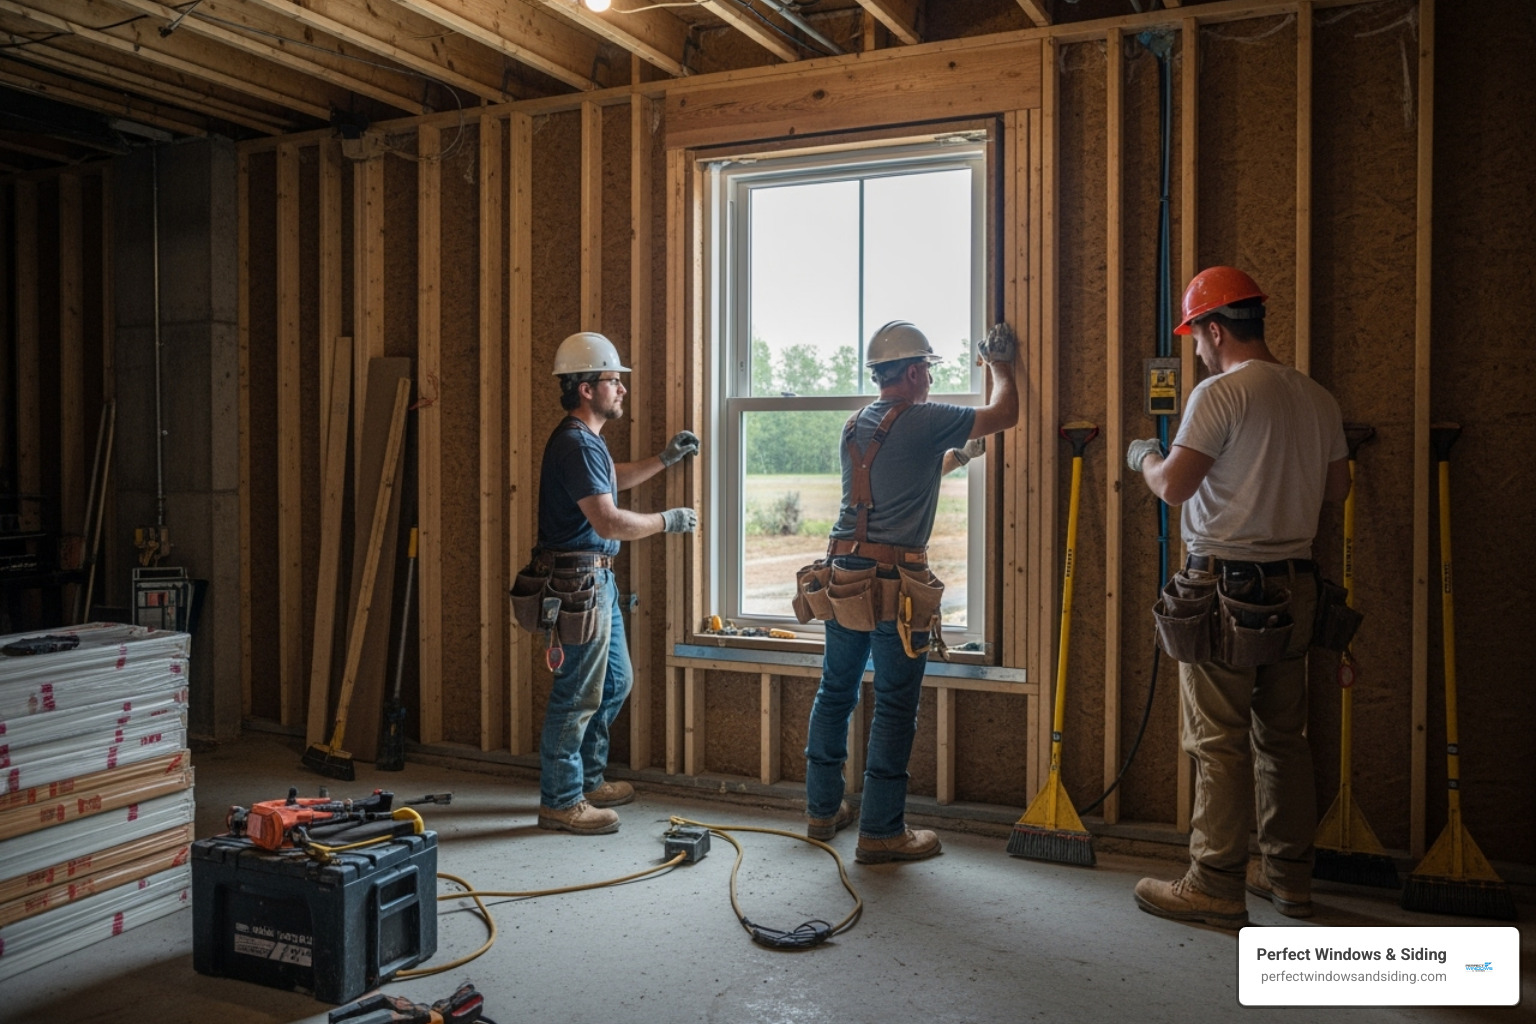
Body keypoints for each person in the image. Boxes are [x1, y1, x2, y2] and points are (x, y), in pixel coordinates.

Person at [1126, 267, 1351, 927]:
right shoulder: (1316, 397)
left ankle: (1214, 883)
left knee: (1217, 739)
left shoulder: (1219, 394)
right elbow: (1336, 492)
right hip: (1298, 585)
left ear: (1215, 329)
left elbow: (1173, 486)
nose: (1196, 348)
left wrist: (1144, 455)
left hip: (1227, 588)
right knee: (1284, 737)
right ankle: (1289, 879)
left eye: (1196, 336)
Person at [803, 319, 1020, 864]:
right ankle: (881, 831)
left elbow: (901, 476)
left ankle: (822, 811)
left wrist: (961, 457)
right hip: (894, 582)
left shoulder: (858, 424)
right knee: (896, 704)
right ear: (918, 371)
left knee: (836, 691)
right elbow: (1006, 414)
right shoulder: (924, 417)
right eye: (928, 369)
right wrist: (999, 365)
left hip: (844, 574)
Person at [533, 331, 699, 835]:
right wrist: (667, 520)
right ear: (586, 388)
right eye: (614, 380)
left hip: (594, 583)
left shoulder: (588, 443)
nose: (622, 389)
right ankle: (561, 800)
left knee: (614, 681)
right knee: (578, 693)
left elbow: (609, 478)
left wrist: (663, 460)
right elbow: (607, 521)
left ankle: (586, 780)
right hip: (577, 584)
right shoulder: (575, 442)